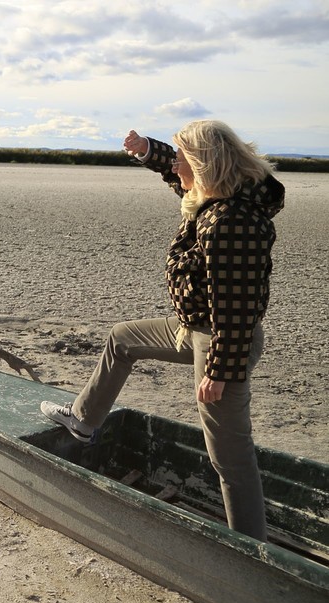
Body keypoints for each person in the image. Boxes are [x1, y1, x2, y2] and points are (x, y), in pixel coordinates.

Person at [40, 120, 285, 541]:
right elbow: (178, 179)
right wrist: (146, 151)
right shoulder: (214, 197)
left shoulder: (231, 221)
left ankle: (252, 551)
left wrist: (220, 371)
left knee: (229, 457)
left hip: (222, 340)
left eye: (181, 157)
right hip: (194, 327)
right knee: (123, 338)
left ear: (205, 163)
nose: (176, 165)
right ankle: (83, 419)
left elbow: (238, 309)